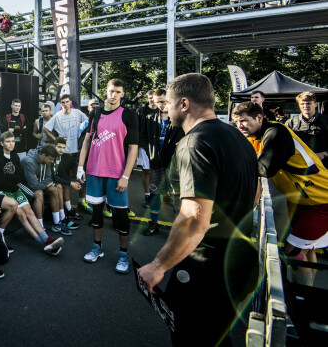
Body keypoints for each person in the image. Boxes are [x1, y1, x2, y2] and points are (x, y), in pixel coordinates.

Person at [139, 74, 258, 347]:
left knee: (191, 338)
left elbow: (194, 219)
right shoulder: (237, 137)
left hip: (208, 269)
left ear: (183, 104)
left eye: (167, 103)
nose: (164, 109)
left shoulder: (194, 143)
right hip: (239, 260)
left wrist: (158, 266)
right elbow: (255, 196)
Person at [233, 101, 328, 287]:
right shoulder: (256, 136)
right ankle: (305, 294)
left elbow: (263, 169)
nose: (240, 126)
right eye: (237, 122)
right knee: (308, 250)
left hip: (321, 202)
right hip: (302, 201)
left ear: (259, 118)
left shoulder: (276, 132)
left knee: (293, 252)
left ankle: (301, 296)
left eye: (244, 121)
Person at [77, 79, 138, 273]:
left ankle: (122, 254)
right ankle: (97, 247)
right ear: (106, 91)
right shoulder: (95, 113)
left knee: (120, 215)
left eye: (118, 92)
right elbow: (87, 141)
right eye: (111, 91)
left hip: (116, 174)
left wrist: (126, 176)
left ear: (122, 94)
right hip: (94, 171)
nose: (113, 95)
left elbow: (133, 148)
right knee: (96, 213)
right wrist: (81, 167)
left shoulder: (128, 115)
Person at [0, 131, 64, 255]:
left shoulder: (14, 155)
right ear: (1, 143)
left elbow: (20, 176)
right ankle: (44, 242)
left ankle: (47, 240)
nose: (11, 144)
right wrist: (13, 179)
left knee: (29, 211)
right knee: (22, 215)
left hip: (15, 189)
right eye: (8, 141)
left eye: (12, 141)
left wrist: (11, 178)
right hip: (3, 192)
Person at [140, 89, 184, 235]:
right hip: (155, 163)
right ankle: (153, 224)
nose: (160, 104)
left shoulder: (178, 118)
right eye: (156, 101)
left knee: (177, 196)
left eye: (163, 101)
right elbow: (142, 137)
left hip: (174, 164)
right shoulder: (150, 118)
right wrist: (149, 151)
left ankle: (179, 230)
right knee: (154, 194)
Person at [21, 144, 79, 236]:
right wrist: (44, 184)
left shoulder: (47, 161)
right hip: (24, 185)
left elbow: (49, 178)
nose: (52, 162)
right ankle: (40, 227)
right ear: (43, 155)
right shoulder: (29, 161)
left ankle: (57, 223)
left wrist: (43, 183)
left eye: (53, 159)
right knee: (39, 193)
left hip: (39, 183)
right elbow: (34, 185)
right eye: (50, 159)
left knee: (54, 189)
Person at [285, 92, 328, 167]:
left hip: (324, 166)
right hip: (299, 167)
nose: (305, 106)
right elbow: (284, 145)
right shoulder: (291, 123)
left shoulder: (326, 121)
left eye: (308, 103)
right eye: (302, 104)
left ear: (315, 104)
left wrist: (324, 154)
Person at [51, 137, 84, 221]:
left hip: (52, 180)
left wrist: (73, 182)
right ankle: (62, 217)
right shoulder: (50, 156)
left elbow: (62, 173)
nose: (61, 150)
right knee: (60, 186)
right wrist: (70, 183)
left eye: (63, 148)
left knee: (66, 184)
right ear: (54, 146)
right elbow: (53, 177)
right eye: (59, 147)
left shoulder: (59, 157)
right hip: (46, 181)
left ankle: (69, 211)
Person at [136, 90, 157, 206]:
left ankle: (162, 195)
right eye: (150, 97)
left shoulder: (163, 111)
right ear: (147, 99)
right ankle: (147, 195)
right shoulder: (141, 111)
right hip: (144, 145)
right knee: (147, 171)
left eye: (154, 97)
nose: (152, 100)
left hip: (159, 146)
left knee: (160, 172)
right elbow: (136, 128)